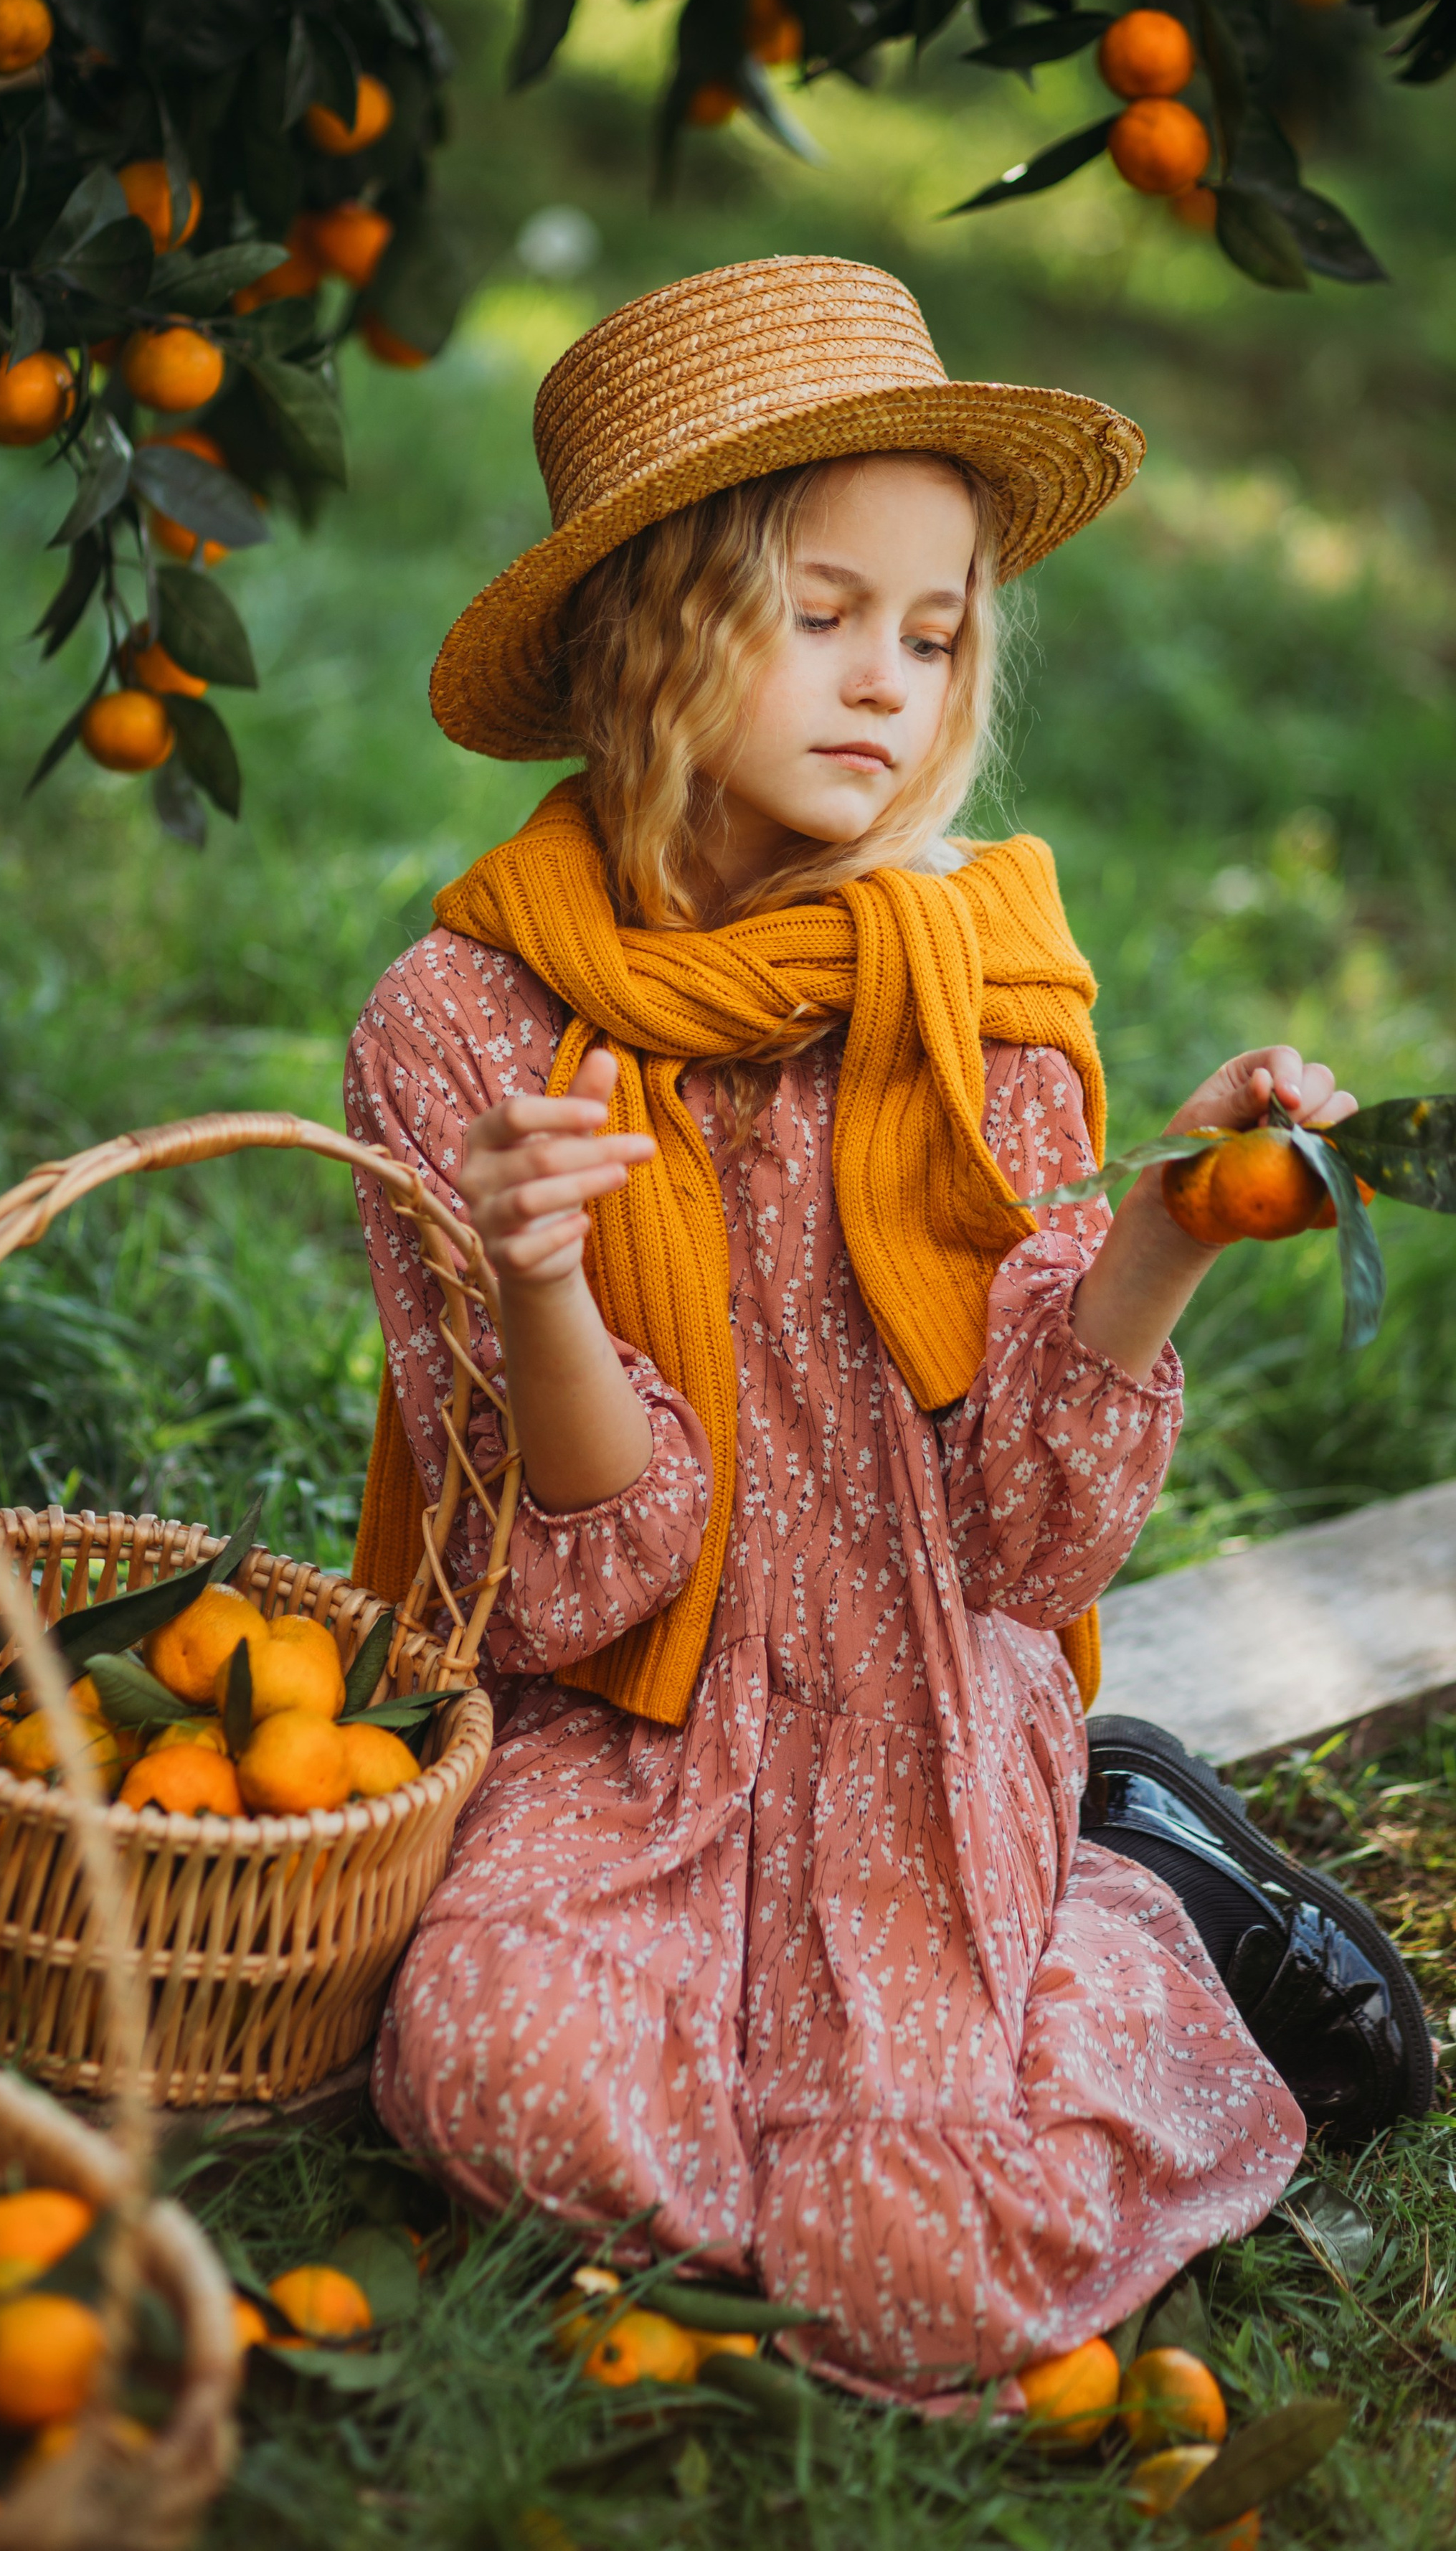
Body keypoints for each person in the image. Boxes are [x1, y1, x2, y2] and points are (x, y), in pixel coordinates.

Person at [343, 258, 1429, 2402]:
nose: (892, 687)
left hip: (926, 1697)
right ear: (656, 622)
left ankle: (1166, 1905)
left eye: (934, 637)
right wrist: (541, 1285)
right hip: (634, 1729)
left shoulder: (979, 1002)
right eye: (824, 615)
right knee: (483, 2074)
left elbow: (1030, 1546)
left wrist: (1168, 1238)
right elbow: (579, 1577)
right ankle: (1038, 1959)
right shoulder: (465, 1024)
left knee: (899, 2270)